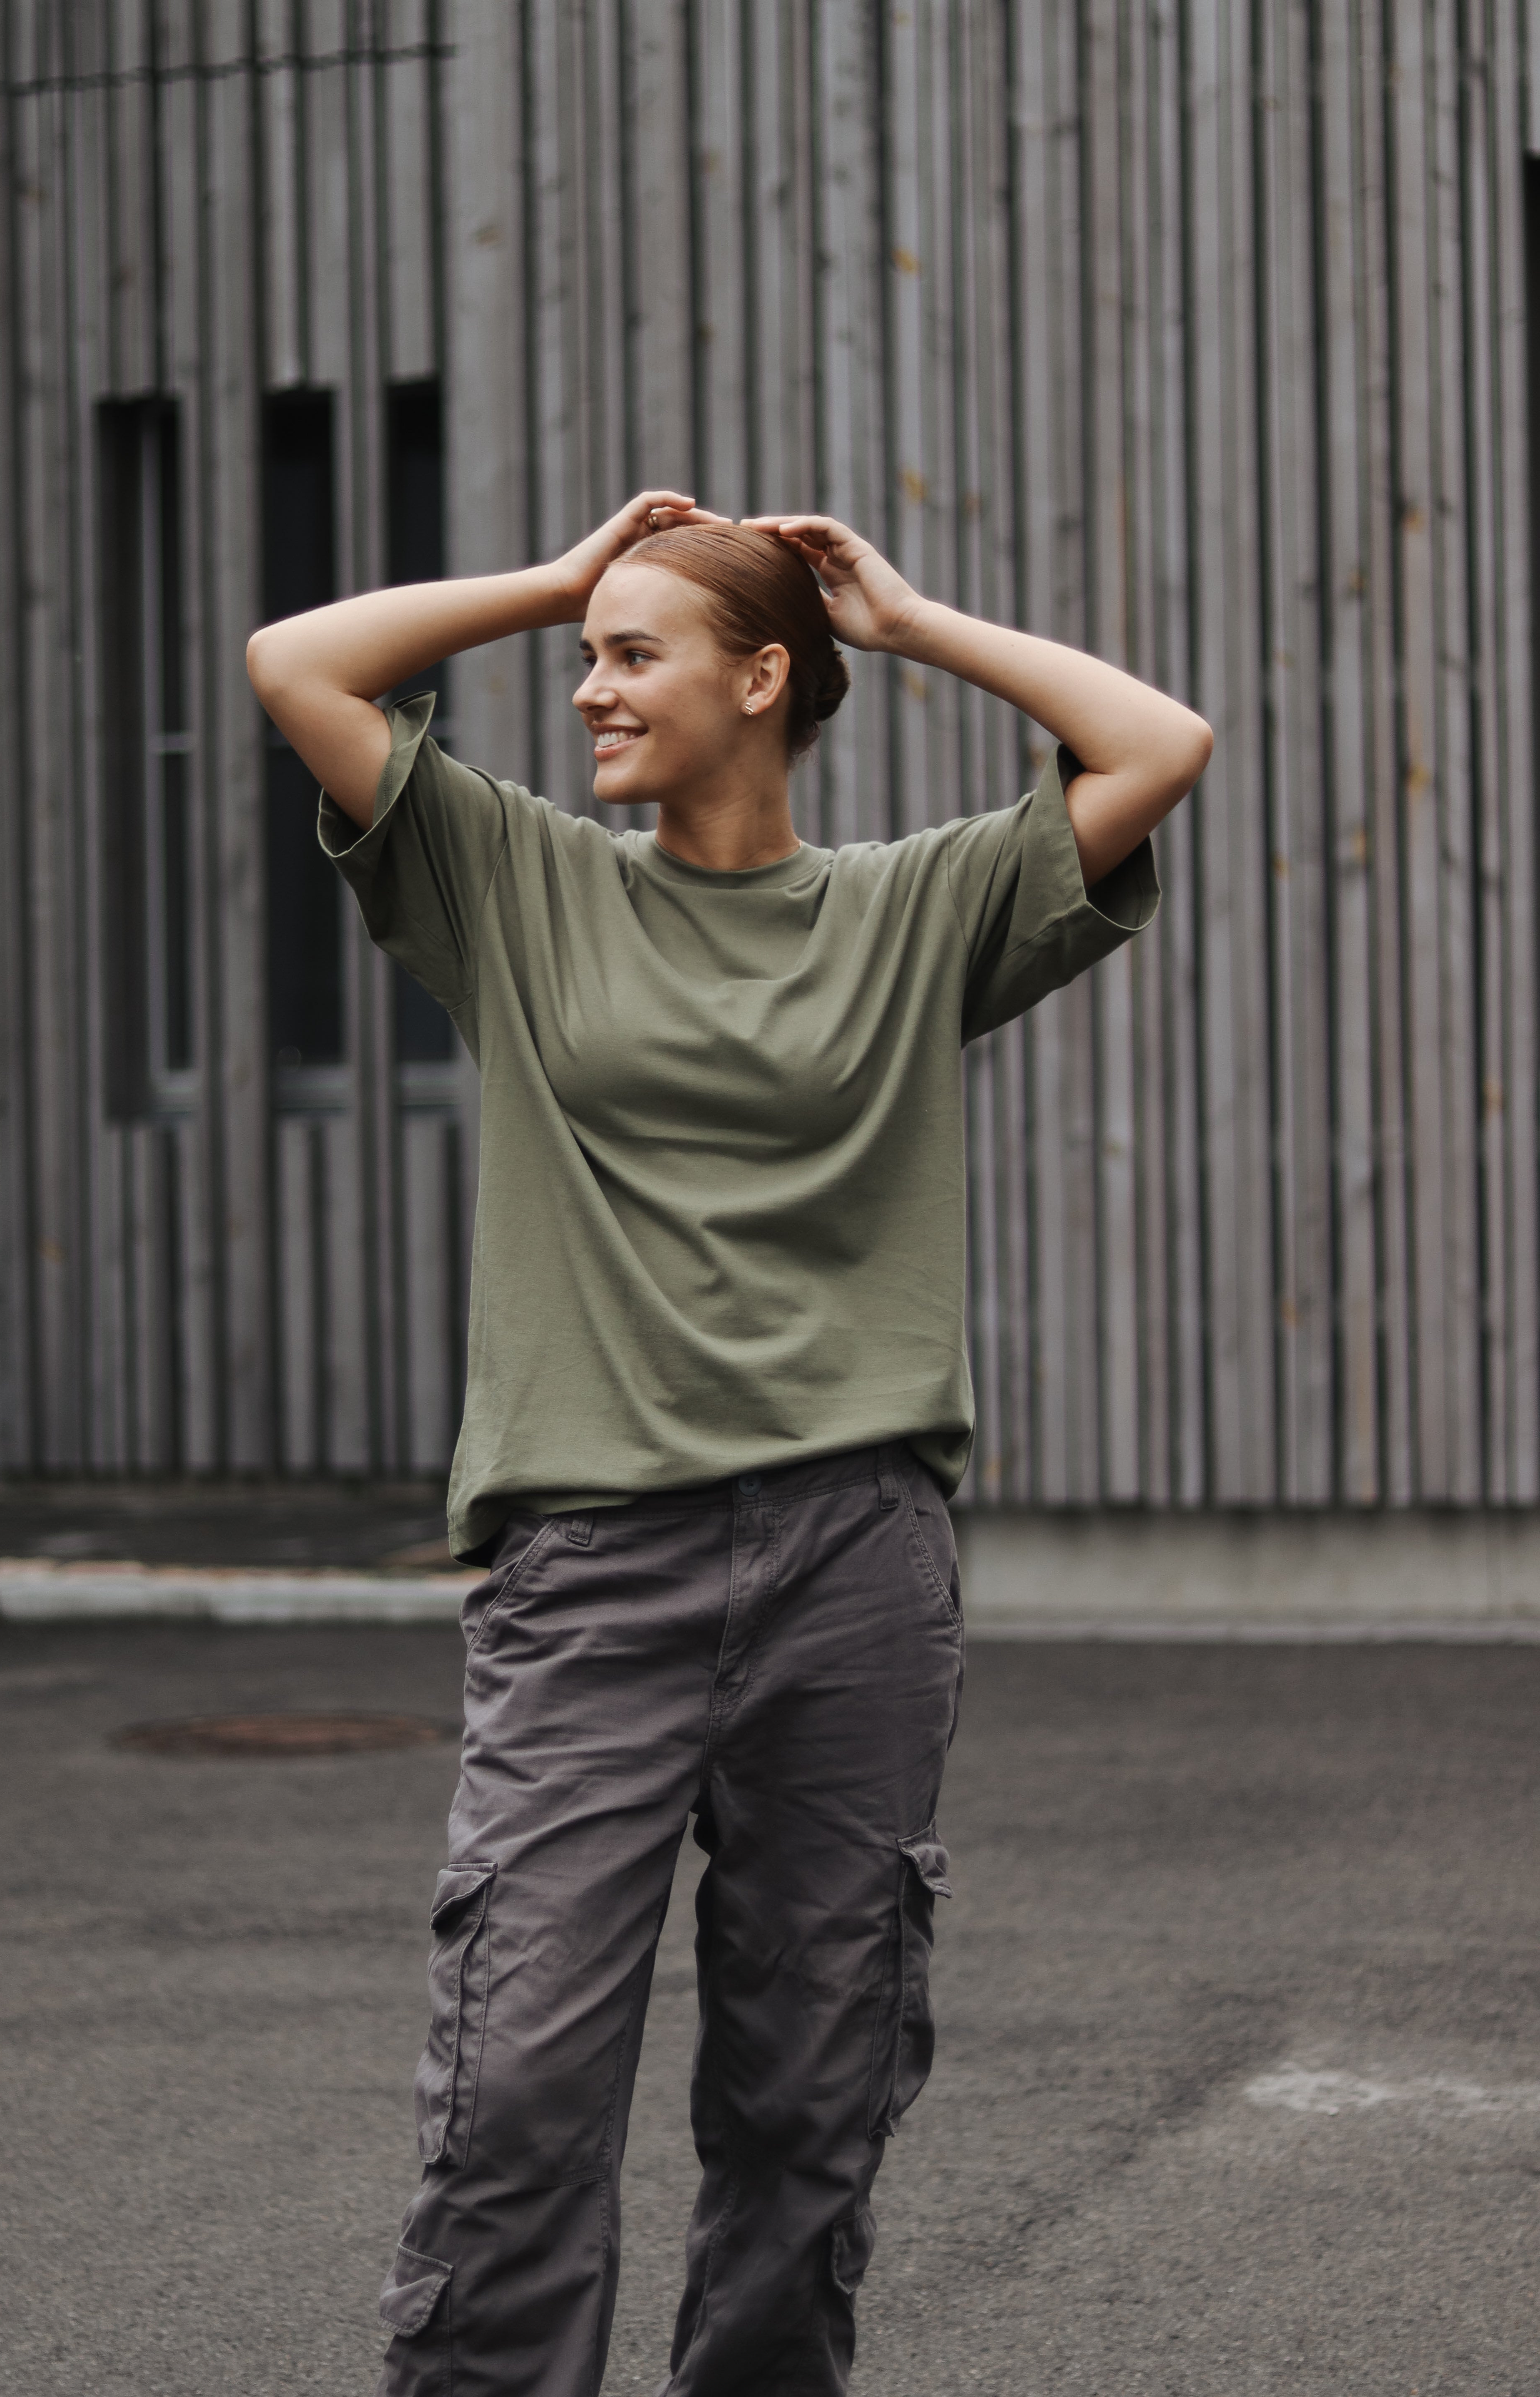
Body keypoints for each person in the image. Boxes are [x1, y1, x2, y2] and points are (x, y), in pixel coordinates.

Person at [246, 491, 1210, 2396]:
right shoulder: (519, 882)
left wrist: (912, 619)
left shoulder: (914, 908)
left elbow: (1155, 742)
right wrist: (560, 577)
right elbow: (298, 663)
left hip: (857, 1559)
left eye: (632, 655)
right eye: (583, 656)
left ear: (762, 680)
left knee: (811, 2084)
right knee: (519, 2086)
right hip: (590, 1561)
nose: (587, 690)